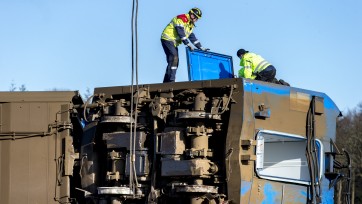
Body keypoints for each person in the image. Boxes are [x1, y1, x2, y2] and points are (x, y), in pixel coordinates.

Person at [161, 8, 209, 83]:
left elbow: (191, 36)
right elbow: (180, 32)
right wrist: (188, 44)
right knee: (174, 58)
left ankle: (166, 82)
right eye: (196, 18)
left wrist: (201, 47)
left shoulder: (190, 24)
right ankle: (171, 81)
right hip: (167, 39)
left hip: (173, 42)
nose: (197, 20)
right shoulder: (182, 18)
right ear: (192, 15)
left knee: (175, 61)